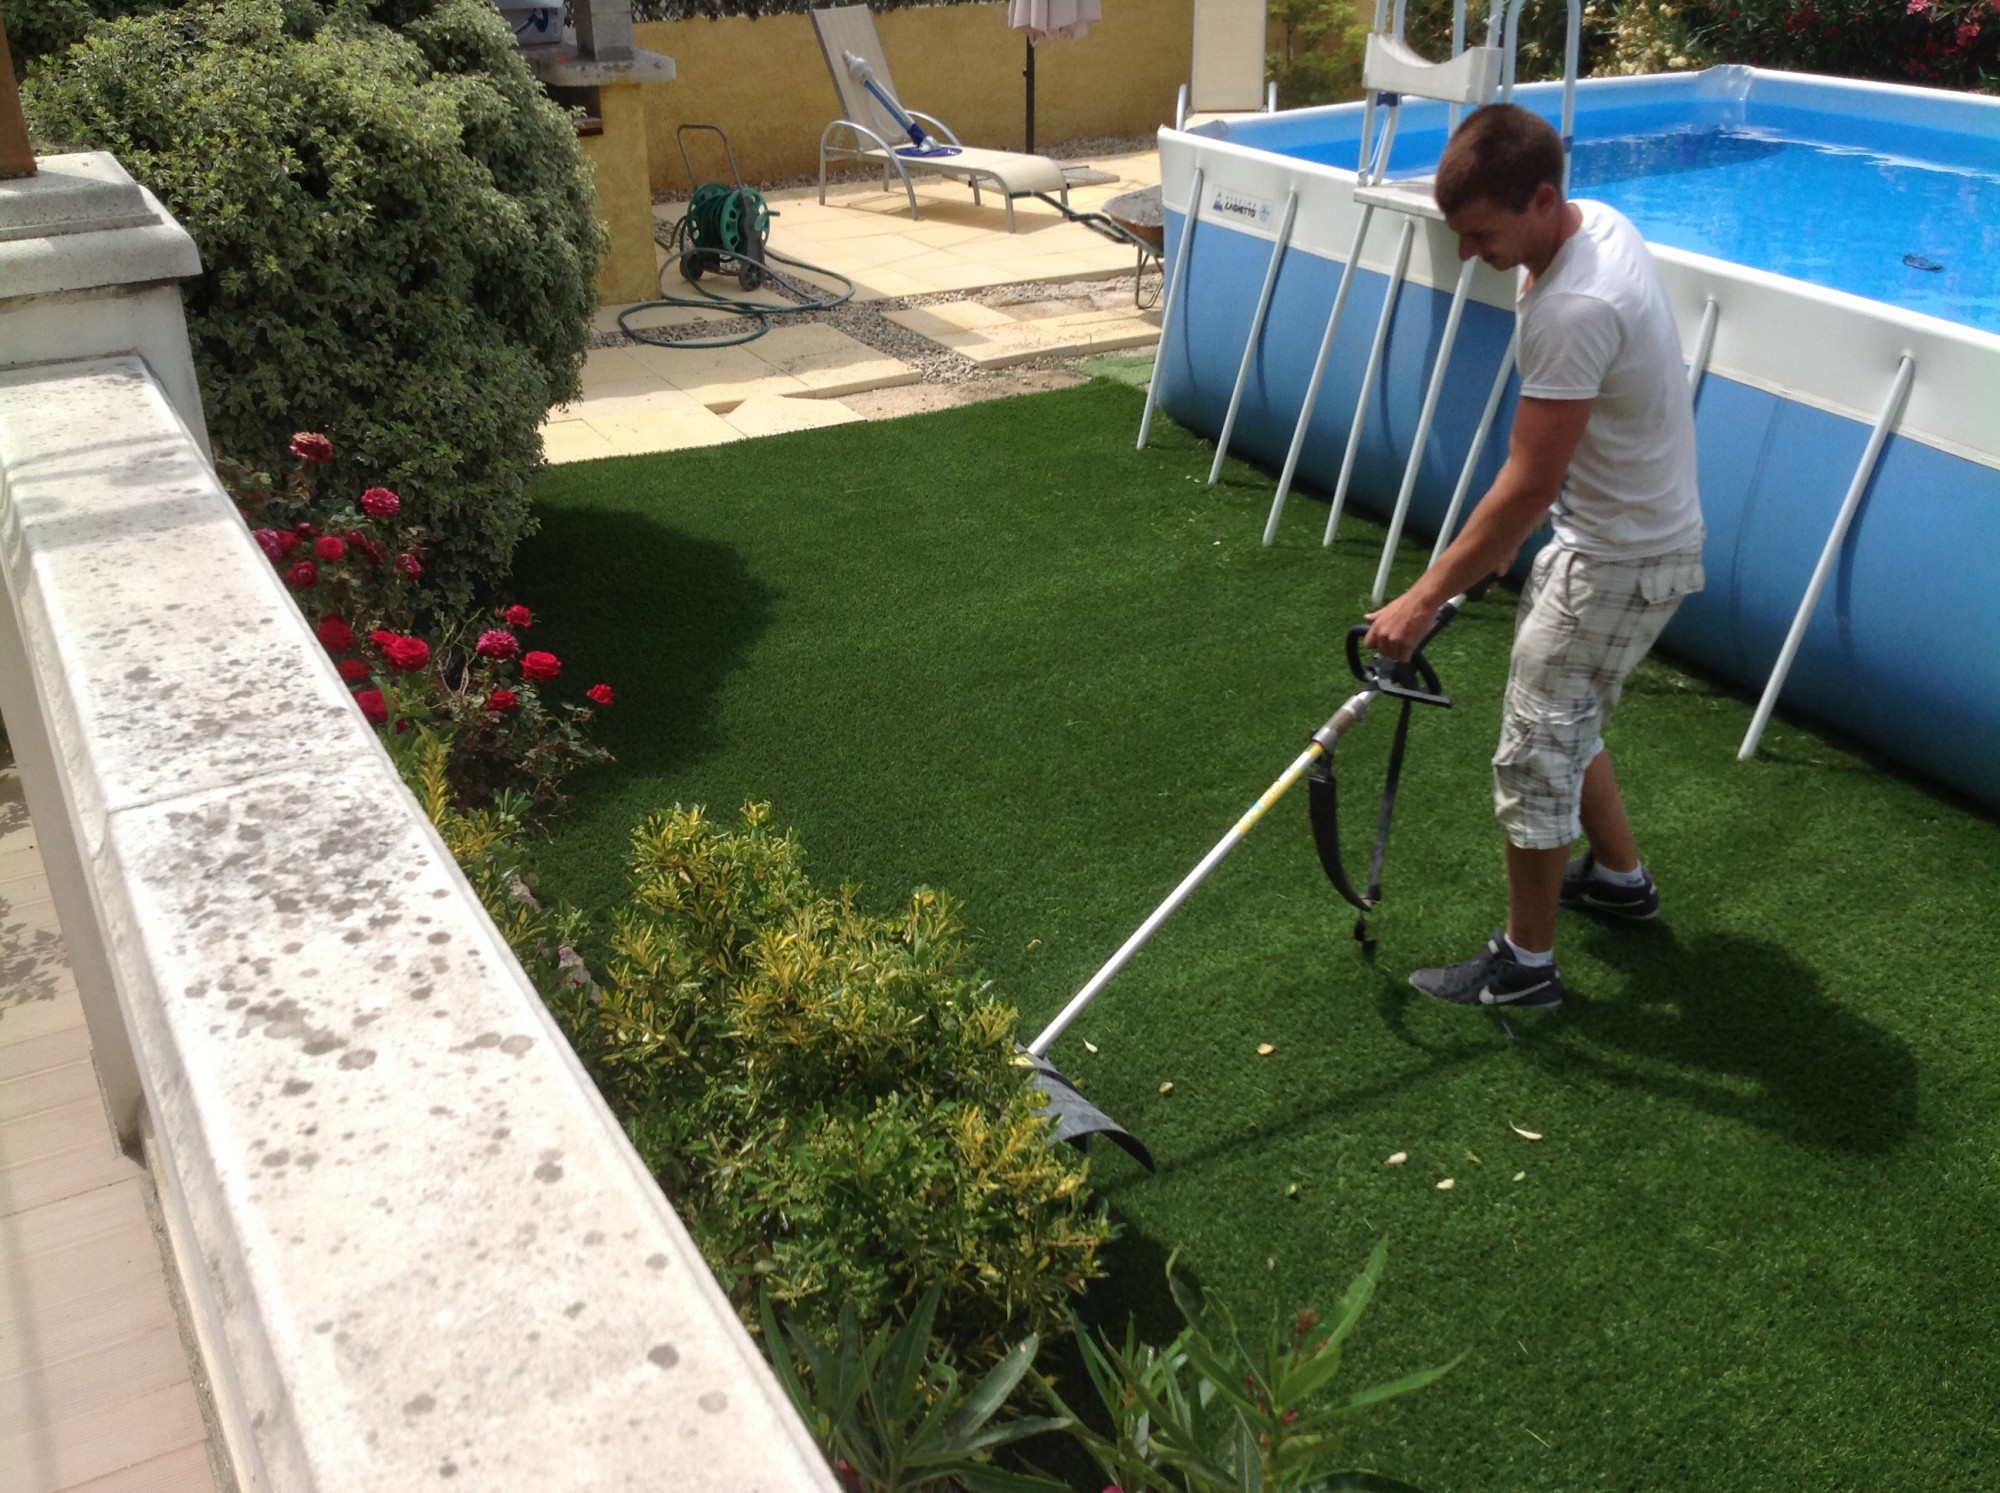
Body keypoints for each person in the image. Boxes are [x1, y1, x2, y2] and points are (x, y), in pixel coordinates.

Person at [1362, 103, 1705, 1011]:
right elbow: (1541, 479)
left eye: (1481, 234)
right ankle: (1619, 882)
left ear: (1542, 197)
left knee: (1535, 752)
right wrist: (1508, 548)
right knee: (1564, 716)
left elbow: (1525, 480)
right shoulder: (1595, 229)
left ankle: (1526, 966)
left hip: (1618, 556)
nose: (1469, 254)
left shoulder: (1575, 303)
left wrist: (1423, 598)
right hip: (1620, 533)